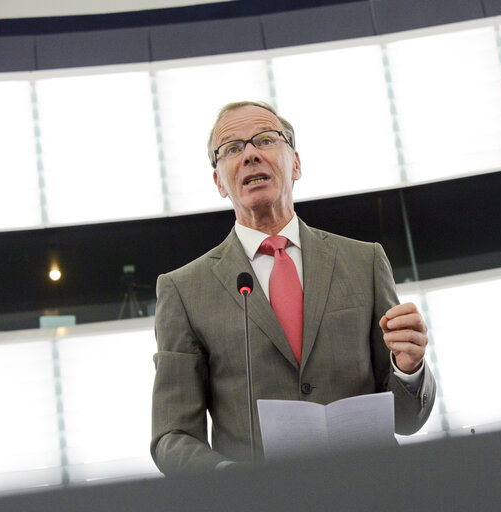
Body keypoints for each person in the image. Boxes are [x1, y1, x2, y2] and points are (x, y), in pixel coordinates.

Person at [151, 101, 436, 474]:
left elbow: (407, 419)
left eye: (266, 139)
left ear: (296, 163)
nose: (251, 154)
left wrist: (409, 367)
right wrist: (225, 477)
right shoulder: (184, 290)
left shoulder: (364, 262)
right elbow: (172, 436)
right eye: (233, 149)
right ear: (219, 182)